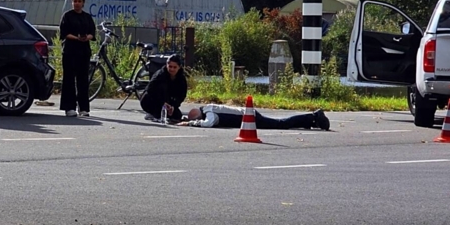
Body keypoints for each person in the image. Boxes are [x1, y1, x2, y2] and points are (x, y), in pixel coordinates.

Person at [59, 0, 96, 118]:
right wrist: (76, 38)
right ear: (72, 2)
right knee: (69, 79)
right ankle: (69, 107)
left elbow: (92, 32)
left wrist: (87, 37)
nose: (77, 3)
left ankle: (83, 108)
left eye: (79, 1)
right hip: (70, 51)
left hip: (84, 52)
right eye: (75, 1)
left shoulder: (87, 17)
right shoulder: (67, 16)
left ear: (83, 3)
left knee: (83, 80)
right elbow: (64, 33)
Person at [184, 104, 331, 131]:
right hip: (249, 114)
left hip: (250, 117)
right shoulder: (209, 107)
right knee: (281, 123)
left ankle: (313, 117)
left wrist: (192, 124)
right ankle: (310, 121)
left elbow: (209, 123)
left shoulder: (209, 113)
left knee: (281, 124)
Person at [139, 54, 188, 122]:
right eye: (170, 66)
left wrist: (173, 106)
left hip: (168, 102)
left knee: (177, 116)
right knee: (157, 110)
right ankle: (152, 114)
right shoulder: (160, 75)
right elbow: (150, 90)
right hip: (153, 100)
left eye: (174, 67)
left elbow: (181, 95)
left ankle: (162, 113)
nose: (172, 69)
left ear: (179, 67)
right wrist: (162, 102)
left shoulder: (181, 79)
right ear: (166, 65)